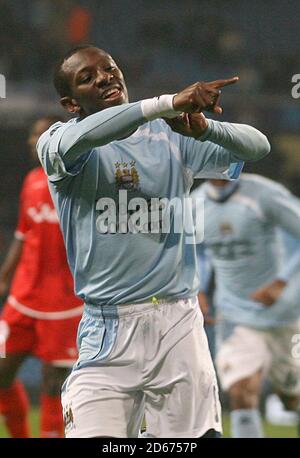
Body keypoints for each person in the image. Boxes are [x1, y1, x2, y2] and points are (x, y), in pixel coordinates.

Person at [37, 44, 270, 438]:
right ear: (70, 103)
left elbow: (258, 146)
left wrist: (206, 128)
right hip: (107, 327)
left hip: (177, 321)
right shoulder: (59, 143)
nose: (105, 77)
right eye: (87, 78)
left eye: (109, 68)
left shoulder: (170, 133)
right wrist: (167, 102)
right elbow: (101, 130)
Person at [193, 174, 300, 438]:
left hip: (286, 314)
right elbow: (195, 251)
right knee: (241, 389)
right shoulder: (194, 204)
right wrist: (199, 288)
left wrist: (281, 281)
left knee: (292, 397)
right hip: (235, 314)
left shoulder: (265, 194)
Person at [0, 116, 84, 438]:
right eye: (32, 135)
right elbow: (23, 234)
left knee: (55, 385)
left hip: (66, 302)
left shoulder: (78, 184)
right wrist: (5, 276)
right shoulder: (31, 180)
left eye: (38, 135)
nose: (31, 141)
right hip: (23, 298)